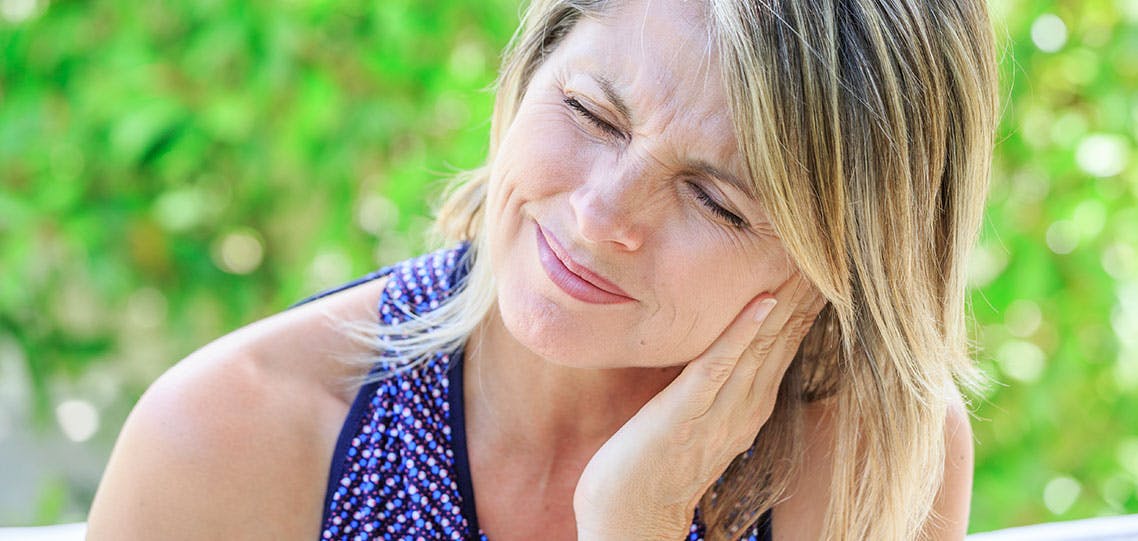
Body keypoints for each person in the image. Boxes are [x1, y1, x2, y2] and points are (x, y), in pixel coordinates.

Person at [86, 0, 998, 538]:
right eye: (592, 114)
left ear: (841, 264)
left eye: (716, 200)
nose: (603, 214)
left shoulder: (871, 454)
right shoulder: (230, 440)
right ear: (532, 65)